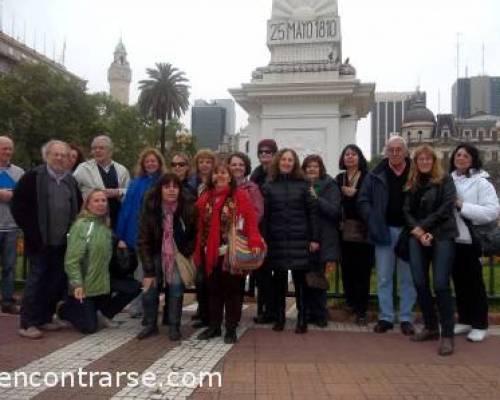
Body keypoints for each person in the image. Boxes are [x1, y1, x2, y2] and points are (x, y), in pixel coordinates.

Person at [12, 140, 82, 339]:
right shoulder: (32, 177)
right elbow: (18, 206)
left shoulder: (70, 180)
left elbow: (77, 206)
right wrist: (32, 232)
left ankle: (45, 318)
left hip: (63, 242)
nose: (60, 158)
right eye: (56, 154)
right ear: (47, 156)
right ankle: (27, 323)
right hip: (39, 241)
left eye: (63, 155)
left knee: (55, 282)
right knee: (36, 282)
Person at [194, 162, 264, 343]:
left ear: (230, 176)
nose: (220, 176)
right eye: (216, 173)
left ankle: (231, 328)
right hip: (209, 252)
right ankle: (215, 326)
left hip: (231, 251)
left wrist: (255, 240)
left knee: (233, 291)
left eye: (224, 173)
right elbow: (201, 226)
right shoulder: (205, 197)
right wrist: (197, 250)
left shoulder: (240, 195)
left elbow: (250, 221)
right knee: (213, 291)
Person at [358, 136, 416, 335]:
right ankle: (386, 317)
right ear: (386, 152)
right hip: (383, 230)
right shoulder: (375, 173)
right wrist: (372, 219)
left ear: (406, 152)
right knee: (383, 277)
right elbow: (363, 200)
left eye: (399, 149)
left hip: (409, 232)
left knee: (407, 278)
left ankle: (406, 318)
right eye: (391, 149)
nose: (395, 153)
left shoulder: (415, 173)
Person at [403, 145, 458, 356]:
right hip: (417, 236)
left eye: (428, 159)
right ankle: (431, 326)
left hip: (442, 235)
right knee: (419, 281)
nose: (424, 162)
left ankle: (448, 335)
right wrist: (418, 232)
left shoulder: (445, 180)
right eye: (420, 159)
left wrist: (423, 228)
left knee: (441, 284)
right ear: (416, 163)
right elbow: (406, 211)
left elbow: (446, 208)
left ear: (434, 161)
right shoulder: (412, 183)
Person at [262, 148, 319, 334]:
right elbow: (265, 216)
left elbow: (312, 213)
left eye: (290, 160)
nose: (286, 163)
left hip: (299, 238)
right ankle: (280, 318)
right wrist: (263, 239)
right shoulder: (269, 186)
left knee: (300, 281)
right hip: (276, 239)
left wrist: (314, 237)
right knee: (278, 282)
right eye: (284, 159)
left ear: (294, 164)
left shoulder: (303, 185)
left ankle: (302, 319)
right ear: (278, 162)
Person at [137, 173, 197, 341]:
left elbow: (194, 233)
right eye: (167, 186)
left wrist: (187, 250)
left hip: (177, 254)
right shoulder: (150, 207)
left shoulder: (187, 207)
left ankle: (174, 326)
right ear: (160, 189)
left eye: (175, 187)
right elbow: (143, 240)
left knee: (176, 289)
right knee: (150, 288)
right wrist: (148, 270)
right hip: (155, 252)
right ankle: (150, 325)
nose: (171, 190)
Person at [450, 144, 500, 342]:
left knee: (475, 283)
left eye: (465, 155)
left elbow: (492, 211)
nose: (460, 158)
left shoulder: (482, 182)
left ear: (472, 159)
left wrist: (462, 205)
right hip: (454, 238)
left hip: (473, 239)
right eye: (458, 154)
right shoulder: (449, 179)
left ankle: (480, 323)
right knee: (459, 281)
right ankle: (464, 319)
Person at [56, 190, 118, 334]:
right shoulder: (81, 226)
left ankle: (98, 310)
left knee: (133, 287)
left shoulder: (106, 226)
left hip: (102, 283)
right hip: (84, 286)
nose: (101, 204)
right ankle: (64, 309)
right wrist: (77, 284)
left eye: (103, 200)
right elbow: (71, 260)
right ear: (88, 205)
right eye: (96, 201)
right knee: (89, 328)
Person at [116, 148, 166, 318]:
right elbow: (126, 210)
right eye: (147, 161)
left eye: (154, 161)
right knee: (140, 272)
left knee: (155, 272)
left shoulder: (164, 182)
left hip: (158, 235)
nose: (151, 163)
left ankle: (149, 304)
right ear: (143, 164)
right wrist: (121, 236)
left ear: (159, 163)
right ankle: (139, 306)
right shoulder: (136, 182)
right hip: (136, 234)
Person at [335, 145, 374, 326]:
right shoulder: (339, 178)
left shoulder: (368, 178)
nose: (350, 157)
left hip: (363, 231)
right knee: (347, 269)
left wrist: (356, 194)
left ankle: (362, 309)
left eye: (353, 154)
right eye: (347, 154)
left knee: (362, 271)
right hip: (344, 231)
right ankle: (350, 302)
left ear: (360, 157)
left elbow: (374, 200)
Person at [302, 154, 340, 328]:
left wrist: (317, 198)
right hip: (305, 238)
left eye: (315, 166)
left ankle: (320, 313)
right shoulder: (302, 185)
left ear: (321, 168)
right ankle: (308, 312)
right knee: (306, 277)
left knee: (320, 278)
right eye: (308, 166)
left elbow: (334, 211)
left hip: (324, 239)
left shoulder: (329, 185)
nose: (312, 169)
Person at [73, 135, 130, 229]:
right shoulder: (83, 169)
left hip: (117, 221)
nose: (97, 151)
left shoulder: (122, 170)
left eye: (101, 148)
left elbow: (129, 192)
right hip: (91, 222)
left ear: (110, 151)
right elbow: (72, 191)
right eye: (94, 148)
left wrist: (118, 192)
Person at [250, 139, 278, 324]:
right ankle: (264, 310)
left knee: (280, 272)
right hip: (261, 229)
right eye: (262, 152)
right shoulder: (255, 175)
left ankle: (276, 310)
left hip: (279, 228)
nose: (265, 155)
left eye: (269, 152)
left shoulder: (280, 173)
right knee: (262, 272)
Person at [187, 149, 216, 328]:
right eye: (201, 162)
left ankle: (210, 312)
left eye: (208, 162)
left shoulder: (217, 182)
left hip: (212, 235)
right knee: (199, 277)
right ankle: (202, 309)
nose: (204, 165)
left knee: (210, 277)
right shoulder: (192, 184)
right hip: (196, 234)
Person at [0, 136, 24, 314]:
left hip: (11, 227)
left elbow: (25, 195)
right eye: (3, 148)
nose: (7, 152)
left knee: (9, 266)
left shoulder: (18, 172)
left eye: (9, 149)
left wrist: (12, 195)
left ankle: (7, 301)